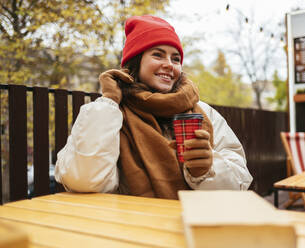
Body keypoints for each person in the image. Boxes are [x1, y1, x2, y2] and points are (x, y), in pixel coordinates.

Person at [55, 15, 252, 199]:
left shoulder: (203, 112)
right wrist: (109, 102)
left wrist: (208, 170)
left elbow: (240, 179)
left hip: (193, 225)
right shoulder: (111, 113)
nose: (169, 64)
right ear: (136, 62)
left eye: (175, 59)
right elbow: (84, 180)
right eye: (158, 55)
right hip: (131, 226)